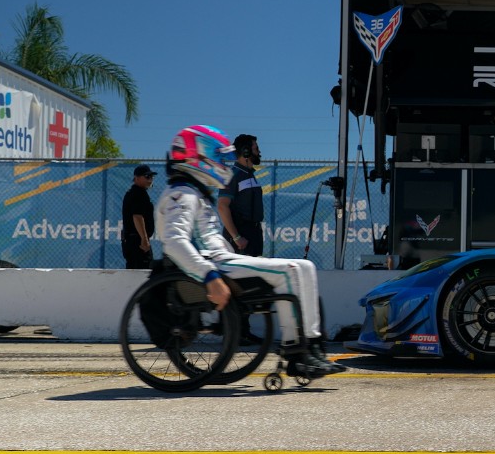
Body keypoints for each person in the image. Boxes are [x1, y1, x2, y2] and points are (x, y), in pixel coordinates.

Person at [156, 125, 344, 378]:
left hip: (223, 260)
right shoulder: (182, 194)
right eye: (220, 158)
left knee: (305, 267)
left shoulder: (195, 194)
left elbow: (208, 239)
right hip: (214, 267)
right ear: (200, 157)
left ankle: (313, 346)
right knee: (290, 271)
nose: (223, 164)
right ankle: (297, 352)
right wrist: (210, 276)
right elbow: (175, 242)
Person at [217, 133, 264, 256]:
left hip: (254, 234)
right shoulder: (232, 175)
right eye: (256, 149)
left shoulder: (250, 175)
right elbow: (222, 206)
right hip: (240, 237)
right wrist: (236, 237)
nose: (259, 152)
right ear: (246, 152)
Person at [121, 164, 157, 269]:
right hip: (137, 242)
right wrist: (144, 239)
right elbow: (137, 217)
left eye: (151, 177)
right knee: (144, 274)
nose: (150, 179)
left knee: (134, 274)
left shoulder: (134, 193)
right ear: (136, 178)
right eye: (147, 176)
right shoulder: (138, 193)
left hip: (132, 241)